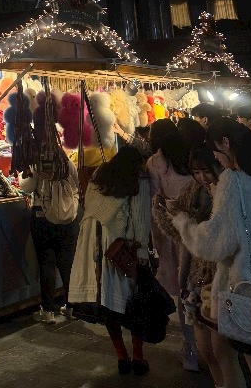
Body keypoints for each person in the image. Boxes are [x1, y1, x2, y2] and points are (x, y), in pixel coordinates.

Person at [164, 118, 251, 388]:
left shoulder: (234, 181)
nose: (216, 159)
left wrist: (182, 222)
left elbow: (214, 243)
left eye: (215, 152)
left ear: (225, 143)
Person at [153, 143, 232, 387]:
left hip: (222, 278)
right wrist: (164, 212)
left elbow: (217, 238)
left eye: (206, 170)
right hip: (197, 276)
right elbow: (183, 237)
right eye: (196, 172)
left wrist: (185, 222)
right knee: (206, 350)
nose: (202, 177)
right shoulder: (192, 190)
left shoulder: (229, 193)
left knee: (222, 350)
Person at [68, 146, 152, 376]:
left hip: (91, 244)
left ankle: (122, 356)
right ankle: (138, 356)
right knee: (134, 303)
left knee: (106, 303)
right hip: (119, 246)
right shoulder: (139, 179)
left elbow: (88, 207)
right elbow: (141, 220)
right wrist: (143, 255)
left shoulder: (100, 174)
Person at [146, 117, 200, 371]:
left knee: (183, 288)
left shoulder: (156, 162)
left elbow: (155, 200)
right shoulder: (191, 156)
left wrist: (158, 239)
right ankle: (208, 342)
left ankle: (190, 348)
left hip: (175, 230)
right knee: (200, 286)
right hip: (200, 228)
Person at [20, 145, 81, 322]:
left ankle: (48, 311)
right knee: (67, 264)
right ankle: (72, 307)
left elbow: (27, 187)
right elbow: (77, 184)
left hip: (43, 217)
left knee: (46, 264)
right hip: (68, 218)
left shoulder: (36, 164)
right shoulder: (67, 163)